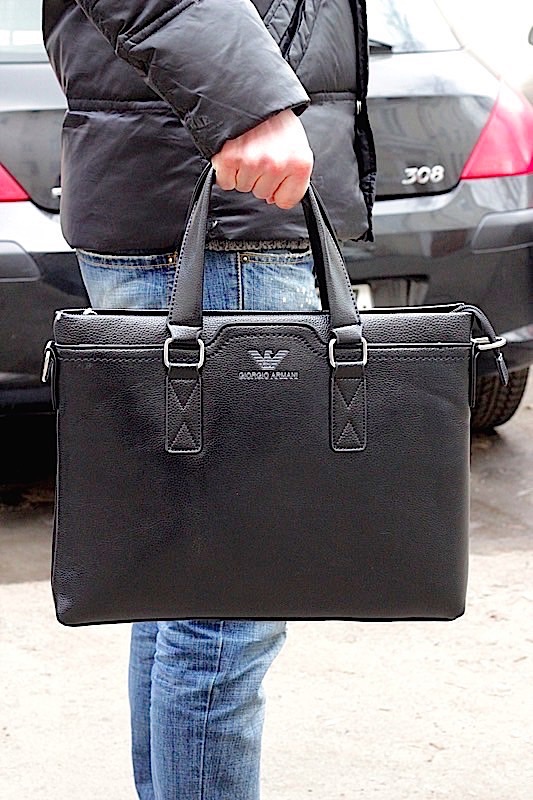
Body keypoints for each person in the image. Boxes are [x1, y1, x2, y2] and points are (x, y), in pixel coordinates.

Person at [43, 1, 376, 798]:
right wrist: (250, 103)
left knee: (182, 581)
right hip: (224, 200)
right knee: (231, 596)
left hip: (194, 185)